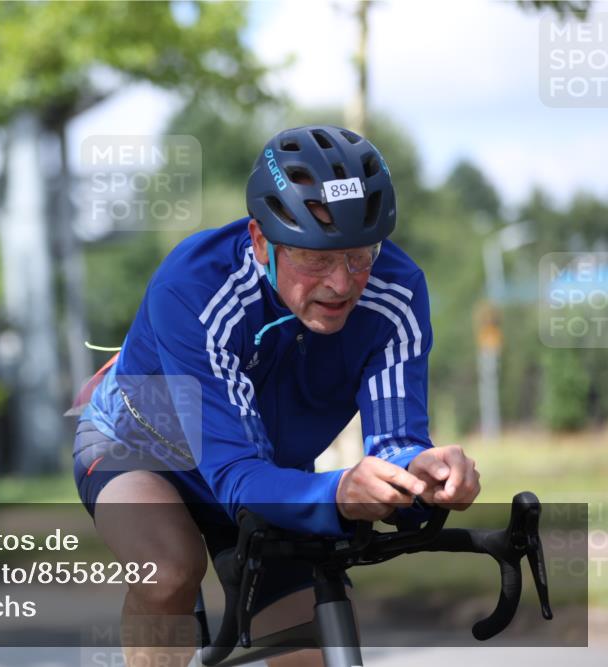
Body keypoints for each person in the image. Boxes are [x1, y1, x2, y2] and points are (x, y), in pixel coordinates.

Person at [71, 125, 481, 667]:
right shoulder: (194, 289)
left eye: (360, 255)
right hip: (138, 446)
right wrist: (337, 494)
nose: (343, 282)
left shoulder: (397, 293)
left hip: (264, 466)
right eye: (316, 258)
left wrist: (420, 475)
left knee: (312, 649)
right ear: (261, 241)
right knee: (168, 569)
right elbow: (236, 477)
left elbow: (395, 443)